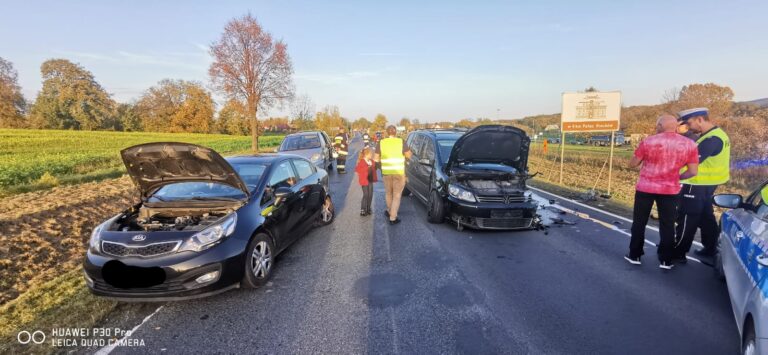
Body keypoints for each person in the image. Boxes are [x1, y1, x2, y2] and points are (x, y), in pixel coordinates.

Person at [626, 114, 699, 270]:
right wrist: (677, 177)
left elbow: (632, 164)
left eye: (656, 125)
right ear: (675, 127)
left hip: (646, 187)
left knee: (639, 222)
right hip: (670, 189)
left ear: (660, 126)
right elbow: (693, 172)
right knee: (667, 225)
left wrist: (638, 159)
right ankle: (666, 260)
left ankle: (635, 255)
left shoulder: (648, 141)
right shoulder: (690, 144)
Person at [673, 107, 731, 260]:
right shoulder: (716, 134)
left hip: (696, 184)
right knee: (706, 217)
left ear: (700, 119)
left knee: (687, 216)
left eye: (689, 123)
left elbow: (691, 162)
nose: (688, 127)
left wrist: (672, 174)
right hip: (708, 184)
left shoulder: (711, 140)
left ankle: (678, 251)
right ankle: (711, 247)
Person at [374, 125, 411, 225]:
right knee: (397, 195)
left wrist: (381, 165)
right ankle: (393, 217)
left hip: (386, 173)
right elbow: (408, 155)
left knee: (388, 193)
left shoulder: (381, 142)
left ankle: (390, 211)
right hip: (398, 172)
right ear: (396, 132)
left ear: (386, 132)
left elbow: (376, 158)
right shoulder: (401, 141)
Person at [355, 147, 377, 216]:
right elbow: (357, 170)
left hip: (370, 180)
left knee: (370, 195)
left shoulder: (371, 161)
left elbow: (375, 168)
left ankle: (368, 208)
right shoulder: (362, 161)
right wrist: (367, 168)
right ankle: (363, 209)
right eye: (370, 154)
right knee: (366, 195)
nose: (371, 155)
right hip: (364, 180)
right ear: (366, 154)